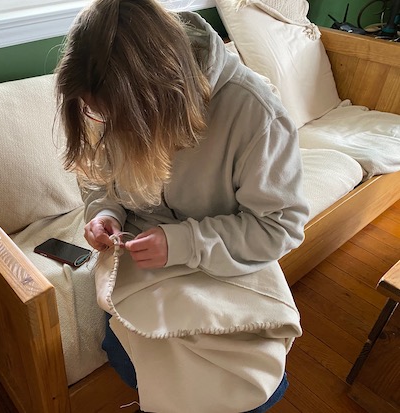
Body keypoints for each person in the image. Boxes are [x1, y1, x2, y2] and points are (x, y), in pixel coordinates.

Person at [55, 0, 310, 412]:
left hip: (225, 258)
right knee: (123, 351)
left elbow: (278, 228)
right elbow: (98, 177)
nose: (103, 124)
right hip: (144, 260)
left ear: (163, 95)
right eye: (94, 114)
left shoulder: (255, 113)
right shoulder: (102, 94)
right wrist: (104, 213)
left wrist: (184, 242)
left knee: (247, 387)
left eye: (118, 119)